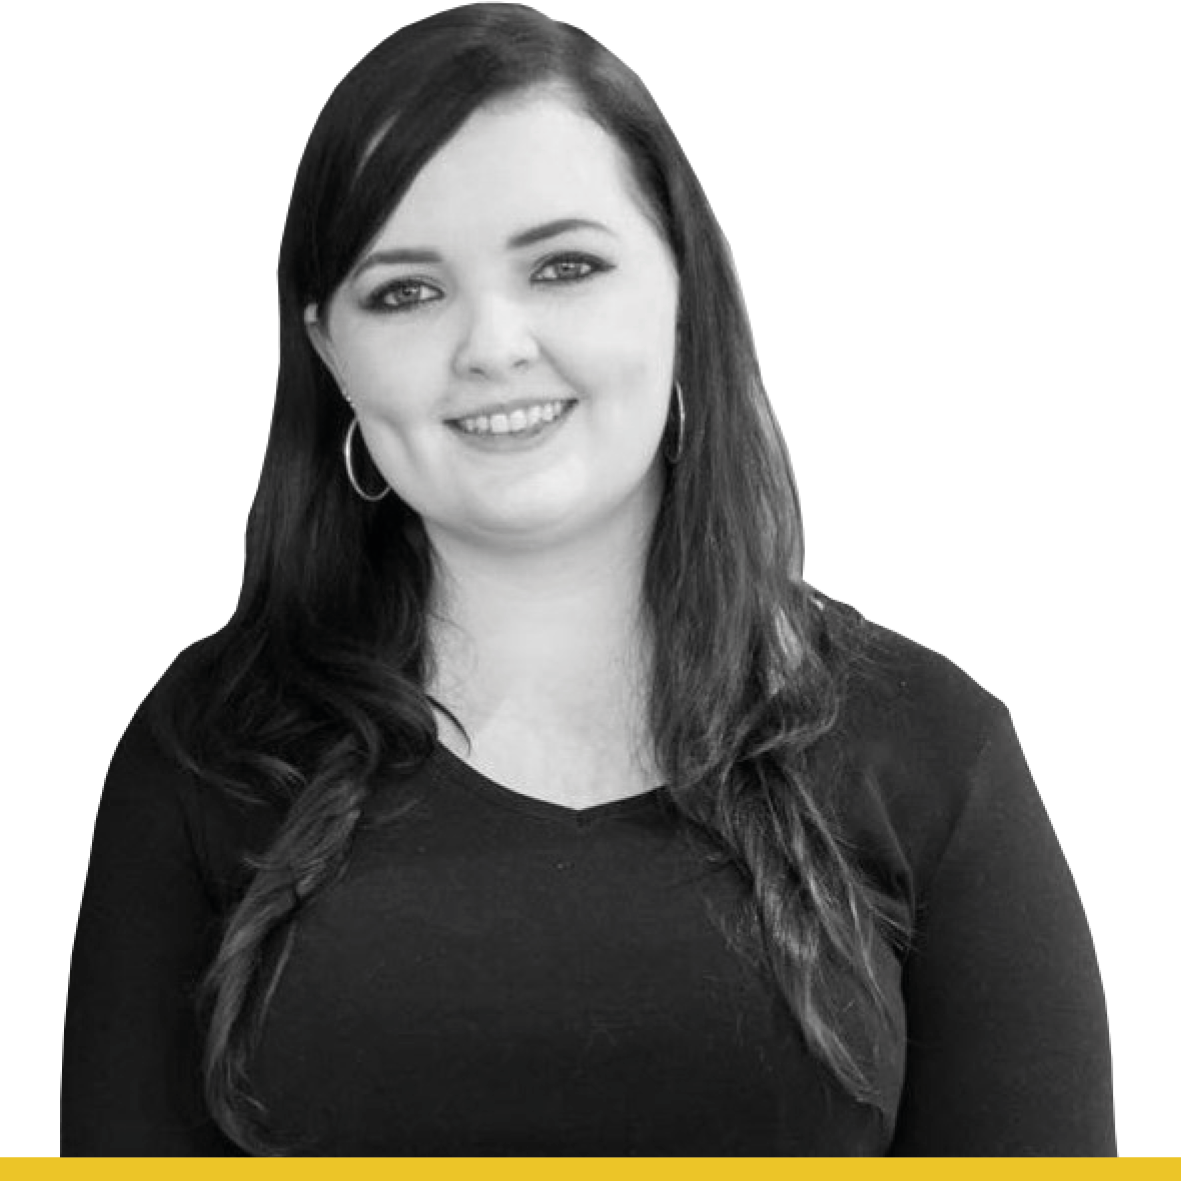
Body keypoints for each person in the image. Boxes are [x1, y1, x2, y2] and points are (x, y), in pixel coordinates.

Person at [60, 2, 1116, 1157]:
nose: (493, 343)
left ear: (681, 288)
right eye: (405, 290)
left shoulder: (928, 751)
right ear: (329, 351)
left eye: (564, 265)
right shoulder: (206, 752)